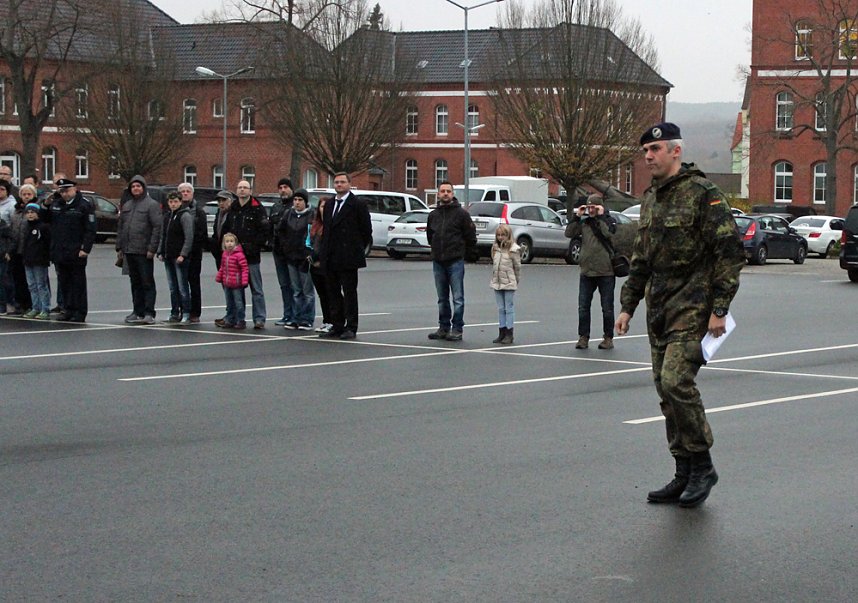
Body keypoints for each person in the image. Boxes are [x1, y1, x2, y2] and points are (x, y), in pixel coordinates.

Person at [615, 122, 744, 508]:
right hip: (660, 309)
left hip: (694, 306)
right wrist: (627, 305)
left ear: (675, 151)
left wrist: (720, 309)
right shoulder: (652, 199)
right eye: (645, 151)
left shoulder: (703, 194)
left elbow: (729, 252)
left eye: (655, 149)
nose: (649, 156)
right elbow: (641, 258)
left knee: (676, 382)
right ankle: (682, 470)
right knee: (664, 392)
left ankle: (703, 465)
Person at [318, 172, 372, 339]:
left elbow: (366, 230)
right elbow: (326, 230)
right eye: (336, 182)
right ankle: (337, 324)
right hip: (330, 255)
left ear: (349, 184)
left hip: (348, 256)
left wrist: (355, 249)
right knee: (332, 292)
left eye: (342, 182)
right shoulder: (329, 205)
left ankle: (351, 326)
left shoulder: (357, 204)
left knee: (349, 293)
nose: (339, 185)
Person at [425, 181, 476, 341]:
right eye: (442, 191)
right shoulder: (433, 215)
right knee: (442, 298)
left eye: (448, 191)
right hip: (438, 261)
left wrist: (465, 254)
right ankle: (443, 327)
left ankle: (457, 328)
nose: (445, 193)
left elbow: (470, 237)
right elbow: (430, 236)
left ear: (453, 194)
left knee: (458, 298)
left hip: (455, 261)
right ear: (438, 194)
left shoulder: (461, 214)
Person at [567, 194, 617, 350]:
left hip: (606, 272)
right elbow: (569, 233)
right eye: (589, 207)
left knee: (607, 307)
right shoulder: (584, 223)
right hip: (587, 271)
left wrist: (601, 217)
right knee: (583, 307)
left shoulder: (608, 221)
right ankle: (583, 337)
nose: (591, 210)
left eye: (593, 207)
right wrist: (577, 216)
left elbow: (609, 233)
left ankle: (608, 338)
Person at [45, 178, 95, 322]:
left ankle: (79, 312)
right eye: (62, 191)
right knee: (64, 282)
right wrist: (44, 205)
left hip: (76, 251)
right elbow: (44, 219)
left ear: (74, 189)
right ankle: (68, 309)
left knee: (77, 283)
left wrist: (85, 248)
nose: (65, 194)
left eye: (67, 191)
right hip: (60, 250)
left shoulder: (84, 205)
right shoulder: (56, 204)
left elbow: (90, 229)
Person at [117, 175, 162, 325]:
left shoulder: (152, 205)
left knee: (147, 282)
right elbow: (121, 227)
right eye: (133, 186)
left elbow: (157, 227)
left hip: (144, 251)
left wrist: (152, 248)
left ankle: (149, 312)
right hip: (129, 250)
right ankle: (137, 311)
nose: (136, 189)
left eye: (138, 186)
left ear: (143, 188)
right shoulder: (127, 205)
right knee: (134, 282)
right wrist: (119, 247)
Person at [224, 180, 269, 329]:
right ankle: (237, 318)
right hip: (235, 257)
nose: (242, 190)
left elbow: (265, 232)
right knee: (236, 290)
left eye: (245, 188)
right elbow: (227, 230)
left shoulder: (257, 208)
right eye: (240, 188)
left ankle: (259, 318)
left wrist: (254, 247)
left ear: (250, 191)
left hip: (251, 257)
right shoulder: (233, 208)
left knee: (256, 289)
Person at [277, 188, 315, 330]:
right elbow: (281, 231)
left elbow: (313, 235)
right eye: (295, 200)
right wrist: (286, 246)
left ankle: (307, 319)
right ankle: (296, 317)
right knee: (296, 290)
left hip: (305, 258)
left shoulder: (311, 215)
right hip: (291, 257)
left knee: (307, 291)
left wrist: (309, 251)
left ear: (306, 202)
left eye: (300, 200)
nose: (297, 203)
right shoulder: (289, 214)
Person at [157, 191, 194, 324]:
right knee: (172, 287)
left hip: (179, 257)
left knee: (182, 287)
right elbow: (163, 235)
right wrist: (160, 251)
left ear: (180, 202)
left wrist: (183, 254)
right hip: (168, 256)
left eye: (176, 202)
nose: (173, 204)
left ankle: (186, 312)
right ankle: (174, 312)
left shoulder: (185, 216)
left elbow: (189, 237)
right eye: (171, 202)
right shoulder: (167, 216)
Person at [177, 183, 208, 323]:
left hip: (194, 254)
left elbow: (202, 233)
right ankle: (181, 309)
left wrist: (192, 248)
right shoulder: (175, 210)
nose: (185, 193)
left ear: (192, 193)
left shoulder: (199, 211)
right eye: (182, 191)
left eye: (187, 191)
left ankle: (195, 312)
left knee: (194, 282)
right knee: (179, 284)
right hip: (178, 253)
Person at [489, 223, 521, 345]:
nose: (500, 237)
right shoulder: (495, 248)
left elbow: (517, 267)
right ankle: (501, 332)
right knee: (501, 308)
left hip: (509, 282)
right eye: (498, 235)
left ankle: (509, 333)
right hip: (497, 282)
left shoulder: (514, 249)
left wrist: (515, 281)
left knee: (509, 308)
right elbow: (494, 263)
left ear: (508, 235)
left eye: (503, 235)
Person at [269, 177, 295, 326]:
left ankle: (297, 315)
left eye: (285, 187)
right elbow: (271, 226)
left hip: (291, 251)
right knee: (284, 284)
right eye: (280, 187)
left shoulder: (295, 205)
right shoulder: (276, 207)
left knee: (295, 286)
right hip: (278, 251)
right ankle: (287, 314)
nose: (283, 190)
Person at [21, 202, 51, 319]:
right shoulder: (26, 226)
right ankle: (35, 307)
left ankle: (45, 308)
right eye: (28, 213)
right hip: (28, 260)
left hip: (39, 260)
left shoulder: (43, 227)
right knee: (31, 285)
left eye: (33, 212)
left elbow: (47, 243)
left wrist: (46, 257)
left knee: (41, 285)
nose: (30, 215)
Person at [215, 232, 249, 329]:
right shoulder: (225, 255)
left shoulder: (239, 255)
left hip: (237, 283)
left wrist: (244, 281)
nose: (229, 243)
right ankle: (230, 319)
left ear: (235, 243)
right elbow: (222, 267)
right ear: (224, 243)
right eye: (227, 241)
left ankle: (241, 320)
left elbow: (244, 268)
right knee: (229, 303)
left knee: (239, 303)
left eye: (231, 241)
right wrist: (219, 277)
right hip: (227, 283)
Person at [309, 197, 332, 333]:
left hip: (326, 265)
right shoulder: (315, 225)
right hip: (314, 266)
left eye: (326, 207)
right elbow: (310, 243)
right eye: (322, 207)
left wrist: (319, 258)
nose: (324, 210)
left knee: (331, 293)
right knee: (322, 295)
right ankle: (326, 320)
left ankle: (334, 321)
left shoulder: (331, 225)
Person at [0, 214, 13, 315]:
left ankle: (3, 305)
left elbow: (12, 240)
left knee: (2, 281)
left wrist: (8, 251)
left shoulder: (4, 227)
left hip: (2, 257)